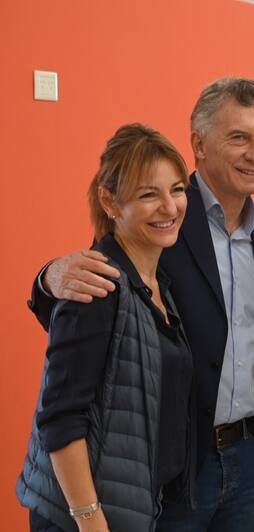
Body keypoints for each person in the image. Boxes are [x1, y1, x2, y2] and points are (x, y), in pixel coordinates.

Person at [27, 78, 254, 531]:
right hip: (177, 468)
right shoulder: (163, 222)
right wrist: (47, 278)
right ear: (199, 145)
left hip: (245, 458)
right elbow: (95, 294)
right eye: (239, 137)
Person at [17, 124, 193, 531]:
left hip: (139, 509)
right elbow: (60, 418)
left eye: (177, 189)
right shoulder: (96, 283)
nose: (169, 207)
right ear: (109, 202)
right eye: (149, 194)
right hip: (85, 519)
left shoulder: (158, 283)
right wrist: (90, 519)